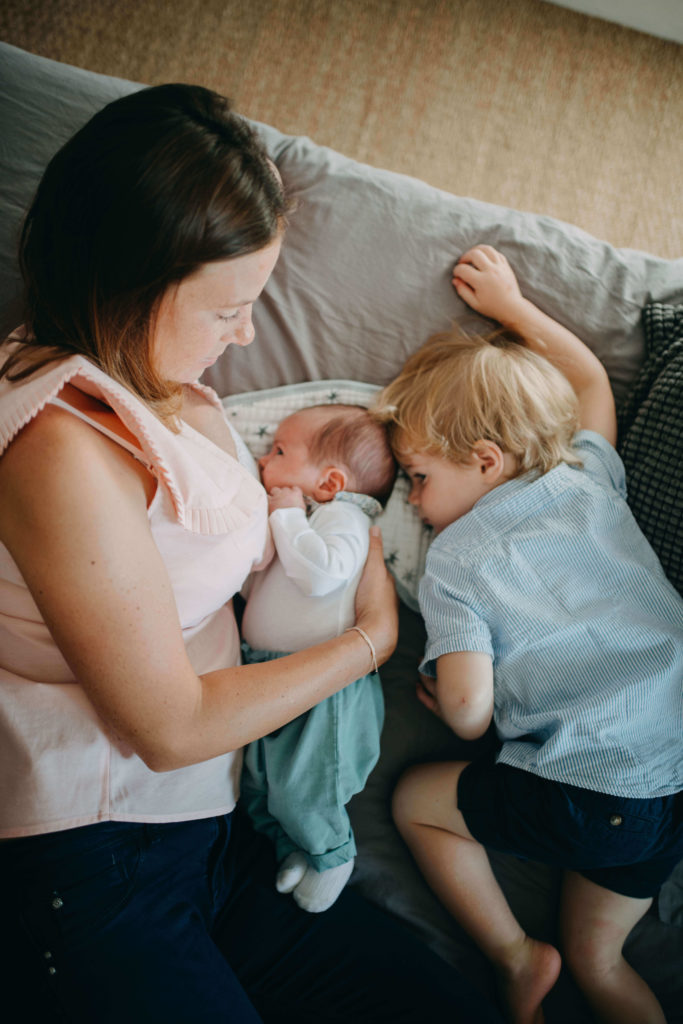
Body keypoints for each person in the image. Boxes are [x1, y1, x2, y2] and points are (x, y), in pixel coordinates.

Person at [0, 87, 505, 1024]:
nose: (242, 337)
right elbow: (171, 726)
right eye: (229, 308)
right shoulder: (59, 450)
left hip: (212, 830)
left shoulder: (155, 372)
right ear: (129, 280)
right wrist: (368, 642)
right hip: (91, 857)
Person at [374, 244, 683, 1024]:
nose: (411, 502)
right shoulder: (584, 471)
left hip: (590, 791)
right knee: (599, 958)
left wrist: (447, 699)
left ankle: (514, 957)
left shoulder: (455, 560)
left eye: (417, 477)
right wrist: (511, 307)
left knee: (415, 800)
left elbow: (472, 713)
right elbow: (586, 379)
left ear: (483, 460)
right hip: (670, 775)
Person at [240, 403, 396, 913]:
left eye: (280, 451)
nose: (265, 459)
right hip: (266, 670)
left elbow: (322, 575)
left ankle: (333, 855)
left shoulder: (341, 517)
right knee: (258, 779)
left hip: (323, 683)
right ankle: (292, 847)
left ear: (330, 481)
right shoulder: (305, 520)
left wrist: (285, 513)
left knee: (304, 785)